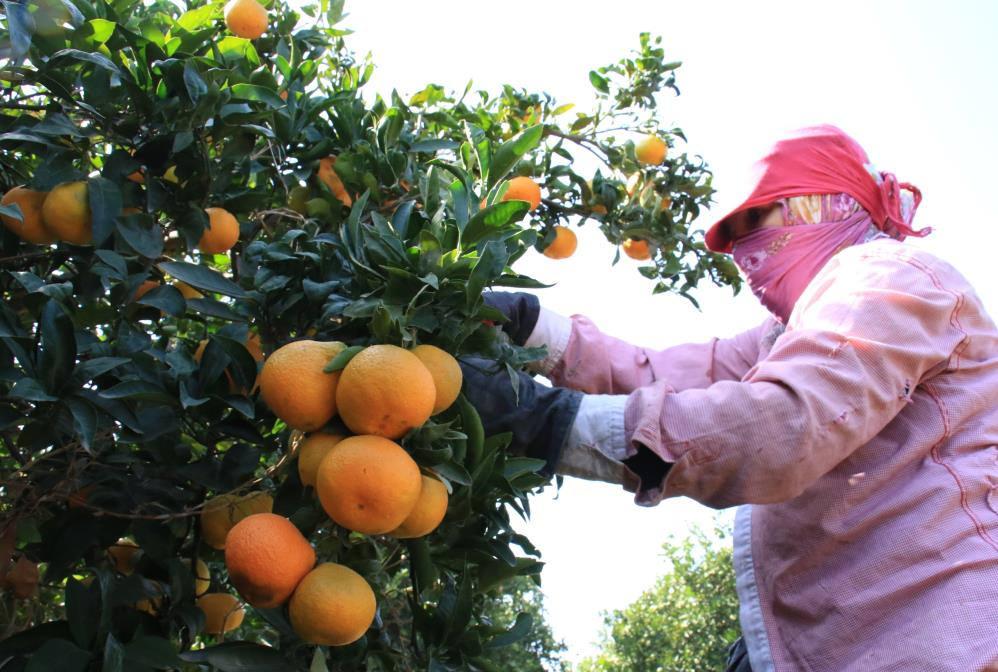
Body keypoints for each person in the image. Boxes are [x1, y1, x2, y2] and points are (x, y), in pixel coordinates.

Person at [462, 125, 998, 672]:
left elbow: (781, 428)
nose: (745, 251)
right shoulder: (783, 337)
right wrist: (533, 329)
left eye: (755, 221)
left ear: (818, 203)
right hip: (850, 642)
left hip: (948, 633)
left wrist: (547, 424)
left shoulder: (894, 278)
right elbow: (660, 374)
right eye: (735, 235)